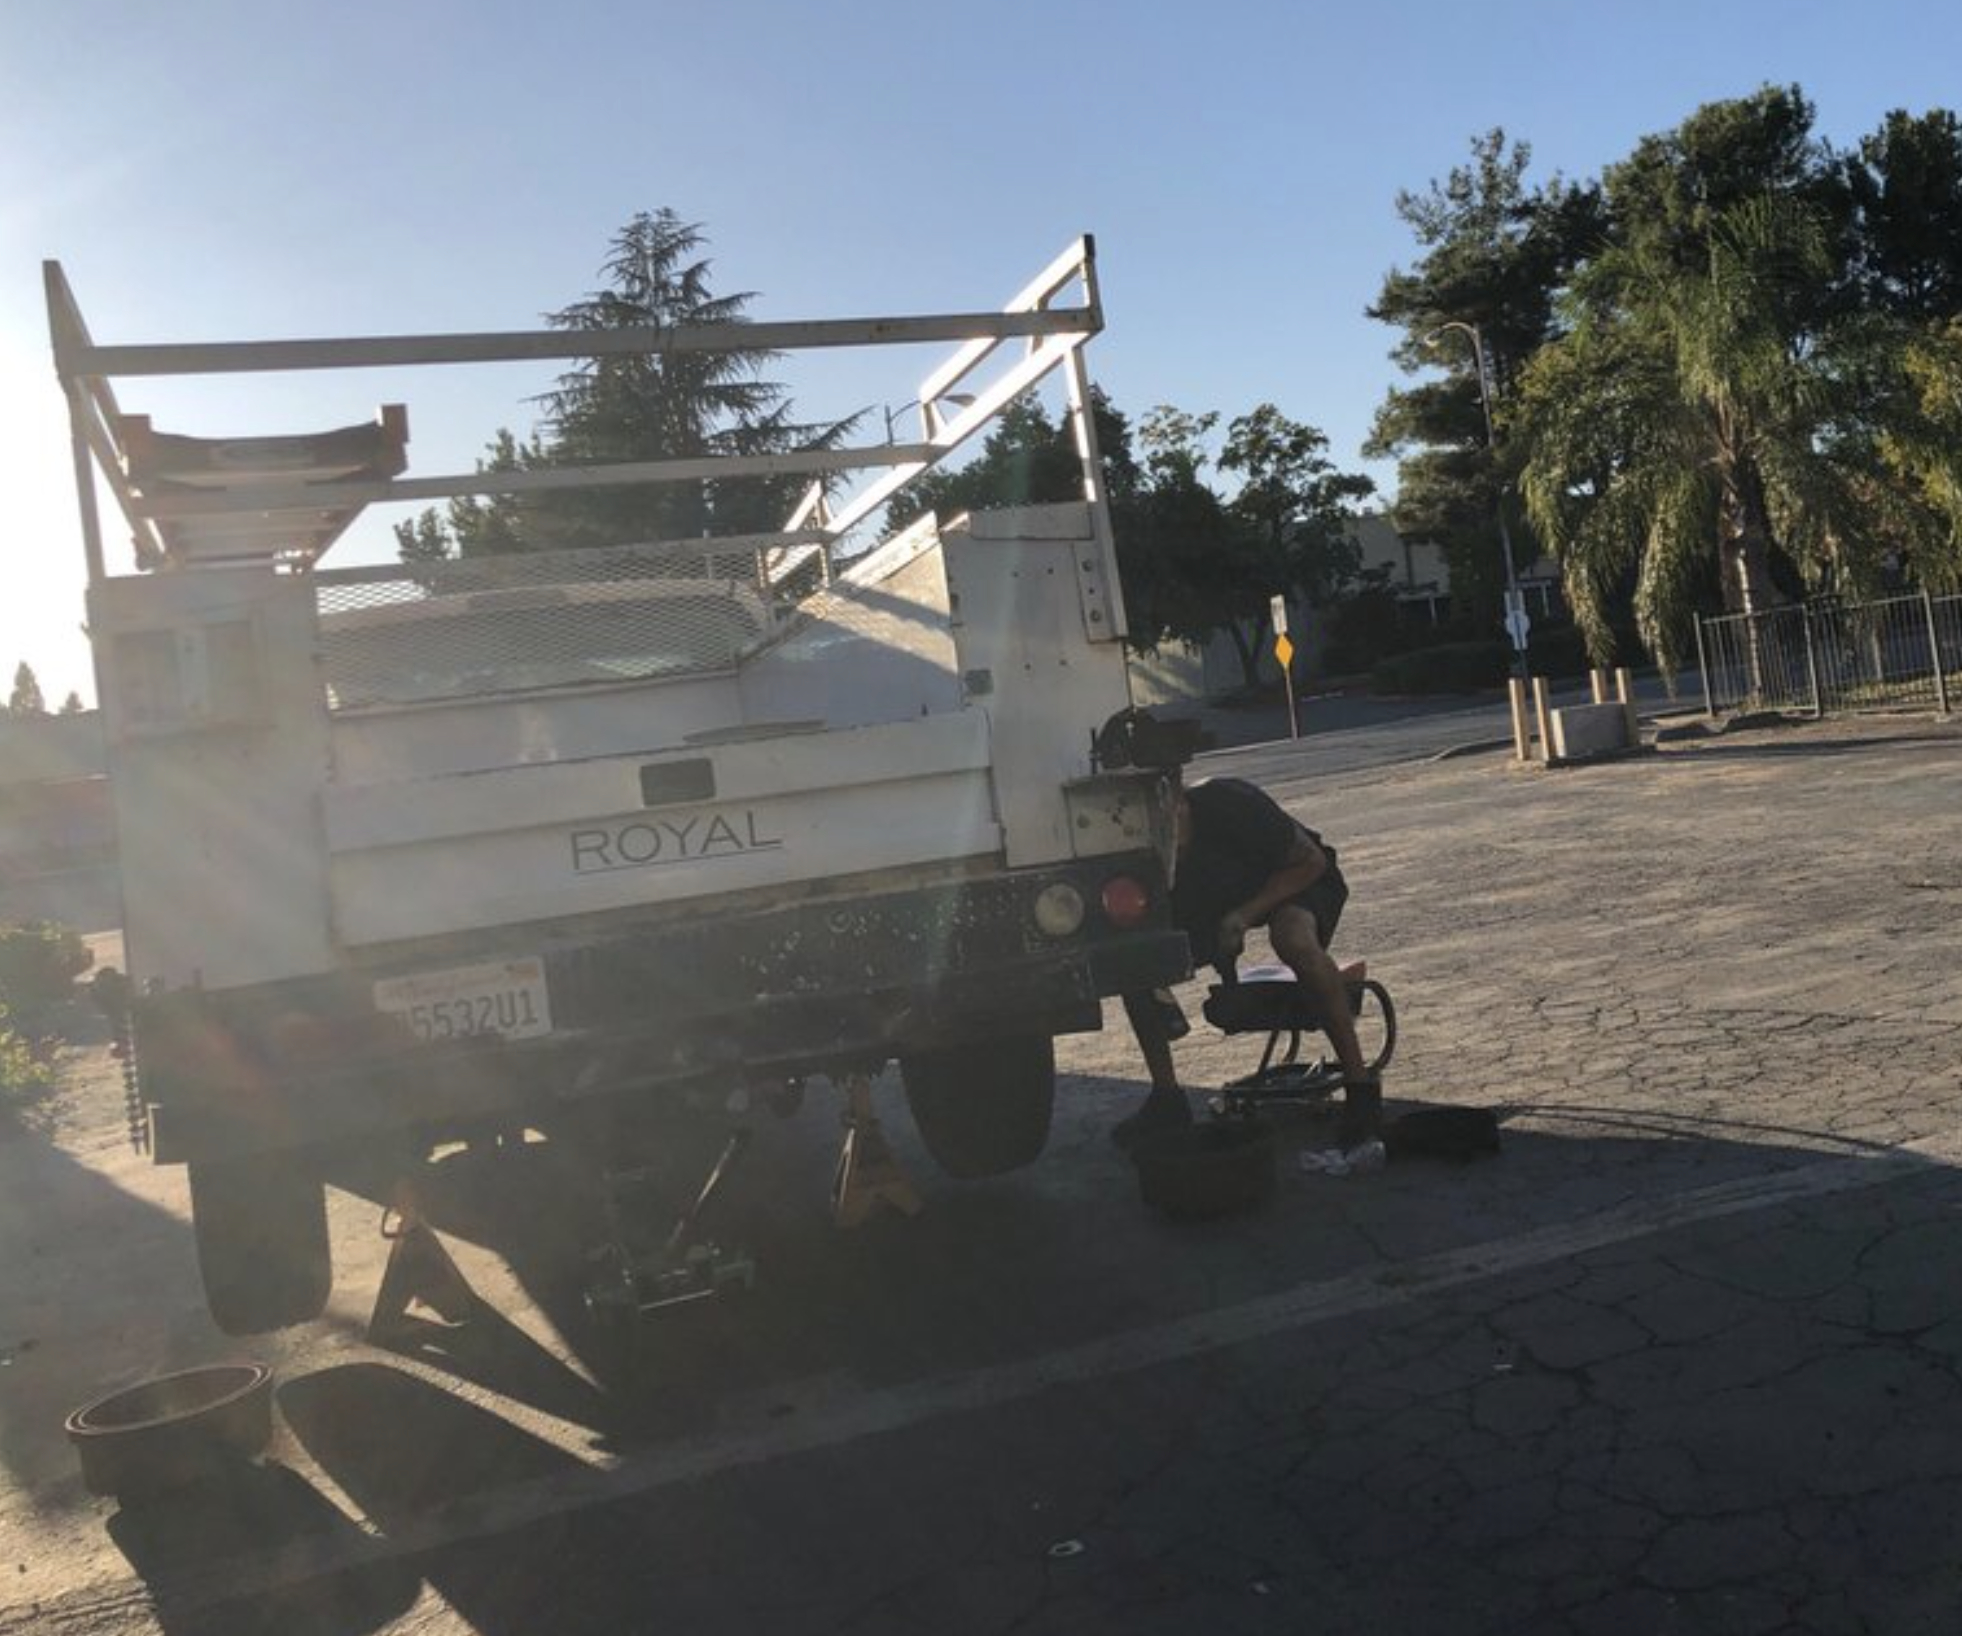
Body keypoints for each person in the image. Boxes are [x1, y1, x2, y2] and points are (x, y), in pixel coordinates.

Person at [1115, 775, 1380, 1149]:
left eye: (1168, 821)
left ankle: (1361, 1088)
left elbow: (1311, 862)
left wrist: (1245, 914)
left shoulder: (1233, 803)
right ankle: (1167, 1098)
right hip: (1216, 903)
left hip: (1296, 879)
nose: (1163, 837)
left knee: (1293, 938)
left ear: (1180, 799)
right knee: (1129, 959)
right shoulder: (1133, 846)